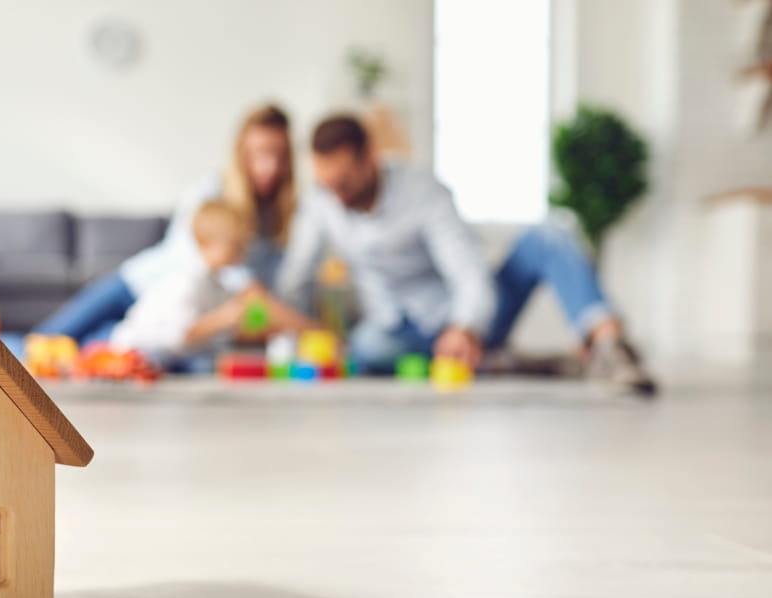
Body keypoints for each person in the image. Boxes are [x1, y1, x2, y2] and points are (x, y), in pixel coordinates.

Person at [278, 115, 657, 395]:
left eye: (344, 183)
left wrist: (465, 326)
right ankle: (501, 363)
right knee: (367, 349)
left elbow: (467, 269)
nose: (337, 196)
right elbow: (296, 277)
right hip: (394, 330)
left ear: (371, 158)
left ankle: (609, 346)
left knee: (549, 235)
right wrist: (290, 336)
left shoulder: (423, 192)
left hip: (463, 317)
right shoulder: (321, 203)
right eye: (327, 186)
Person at [34, 103, 298, 343]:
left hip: (166, 321)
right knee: (42, 343)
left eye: (280, 155)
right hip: (136, 286)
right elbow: (219, 269)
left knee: (88, 354)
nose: (270, 166)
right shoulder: (207, 193)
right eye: (261, 153)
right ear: (241, 154)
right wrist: (254, 292)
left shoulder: (277, 219)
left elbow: (265, 292)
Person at [111, 200, 317, 371]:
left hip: (170, 359)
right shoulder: (186, 282)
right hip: (134, 353)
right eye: (234, 244)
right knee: (205, 366)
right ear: (204, 242)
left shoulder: (218, 284)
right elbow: (180, 336)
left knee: (219, 360)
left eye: (243, 244)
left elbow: (227, 331)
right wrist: (223, 318)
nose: (242, 252)